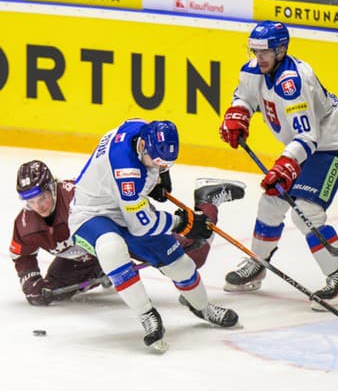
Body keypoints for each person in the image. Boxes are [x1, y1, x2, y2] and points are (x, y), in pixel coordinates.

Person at [218, 20, 338, 310]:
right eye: (255, 51)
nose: (259, 58)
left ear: (281, 50)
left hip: (330, 149)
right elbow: (244, 96)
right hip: (304, 149)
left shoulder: (292, 82)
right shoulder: (254, 70)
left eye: (265, 53)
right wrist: (238, 114)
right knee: (270, 202)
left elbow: (308, 136)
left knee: (306, 211)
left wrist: (286, 165)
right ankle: (258, 264)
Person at [68, 118, 245, 352]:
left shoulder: (140, 129)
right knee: (112, 247)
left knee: (180, 265)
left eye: (165, 164)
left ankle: (202, 307)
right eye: (156, 162)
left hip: (124, 207)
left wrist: (159, 177)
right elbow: (142, 226)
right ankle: (146, 314)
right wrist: (182, 222)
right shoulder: (127, 172)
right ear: (142, 147)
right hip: (91, 215)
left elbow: (140, 142)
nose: (158, 167)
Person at [9, 160, 105, 306]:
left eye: (42, 198)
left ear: (52, 188)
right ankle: (98, 269)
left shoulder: (76, 197)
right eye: (31, 202)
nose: (38, 207)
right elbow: (22, 254)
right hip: (78, 260)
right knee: (43, 292)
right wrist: (31, 280)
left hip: (109, 243)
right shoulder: (25, 223)